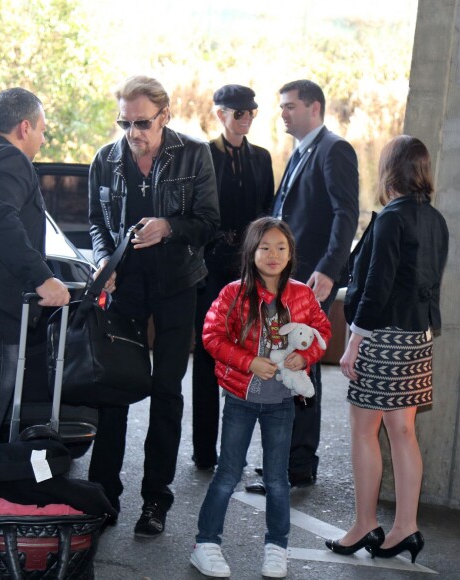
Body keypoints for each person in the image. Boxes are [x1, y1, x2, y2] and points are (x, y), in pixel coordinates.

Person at [87, 75, 219, 537]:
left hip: (178, 285)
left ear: (165, 116)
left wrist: (169, 227)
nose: (132, 132)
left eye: (141, 122)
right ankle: (102, 497)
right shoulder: (105, 159)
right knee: (114, 390)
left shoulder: (193, 153)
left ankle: (155, 502)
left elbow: (208, 221)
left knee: (166, 391)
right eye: (124, 121)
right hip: (123, 291)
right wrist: (106, 260)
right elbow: (95, 225)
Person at [324, 135, 448, 563]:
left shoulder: (392, 219)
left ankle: (364, 524)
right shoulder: (435, 220)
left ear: (390, 169)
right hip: (418, 337)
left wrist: (354, 340)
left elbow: (377, 286)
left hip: (382, 337)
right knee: (403, 432)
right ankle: (406, 528)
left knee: (364, 429)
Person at [190, 217, 331, 578]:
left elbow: (321, 330)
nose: (273, 255)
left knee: (278, 479)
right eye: (265, 247)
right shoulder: (232, 293)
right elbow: (211, 337)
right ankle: (205, 544)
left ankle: (276, 548)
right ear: (251, 252)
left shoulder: (302, 294)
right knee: (227, 473)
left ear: (291, 254)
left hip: (282, 402)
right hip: (240, 397)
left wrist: (307, 356)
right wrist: (249, 362)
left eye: (281, 248)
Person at [247, 79, 359, 493]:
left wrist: (330, 269)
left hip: (313, 281)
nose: (283, 113)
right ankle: (287, 461)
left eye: (289, 106)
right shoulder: (301, 151)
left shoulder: (335, 149)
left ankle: (296, 465)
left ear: (314, 108)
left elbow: (345, 214)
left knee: (301, 366)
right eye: (282, 107)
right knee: (285, 366)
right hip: (288, 281)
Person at [192, 84, 274, 471]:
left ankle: (234, 452)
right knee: (211, 356)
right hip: (209, 269)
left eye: (251, 113)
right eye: (238, 112)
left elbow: (268, 211)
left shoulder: (261, 157)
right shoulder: (203, 153)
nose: (245, 119)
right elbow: (196, 210)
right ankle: (205, 451)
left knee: (246, 355)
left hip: (248, 270)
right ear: (219, 114)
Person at [0, 88, 70, 449]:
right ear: (23, 127)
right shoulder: (11, 160)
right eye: (41, 130)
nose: (43, 138)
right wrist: (43, 278)